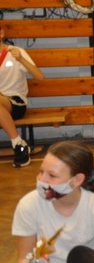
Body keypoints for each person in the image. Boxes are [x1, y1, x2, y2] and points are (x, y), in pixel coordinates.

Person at [0, 37, 44, 168]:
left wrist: (21, 59)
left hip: (16, 103)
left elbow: (40, 76)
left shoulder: (16, 52)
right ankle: (19, 145)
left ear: (1, 34)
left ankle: (18, 143)